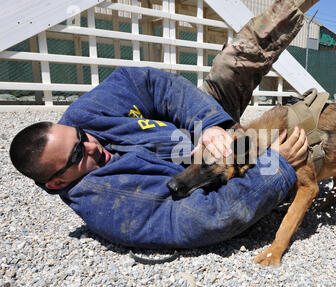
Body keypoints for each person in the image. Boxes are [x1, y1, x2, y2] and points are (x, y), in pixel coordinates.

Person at [9, 0, 318, 249]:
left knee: (232, 61)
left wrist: (209, 125)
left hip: (201, 136)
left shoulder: (85, 116)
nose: (91, 146)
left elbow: (151, 85)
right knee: (308, 128)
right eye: (78, 156)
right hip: (213, 173)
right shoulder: (108, 205)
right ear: (56, 183)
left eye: (80, 137)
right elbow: (207, 218)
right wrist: (276, 170)